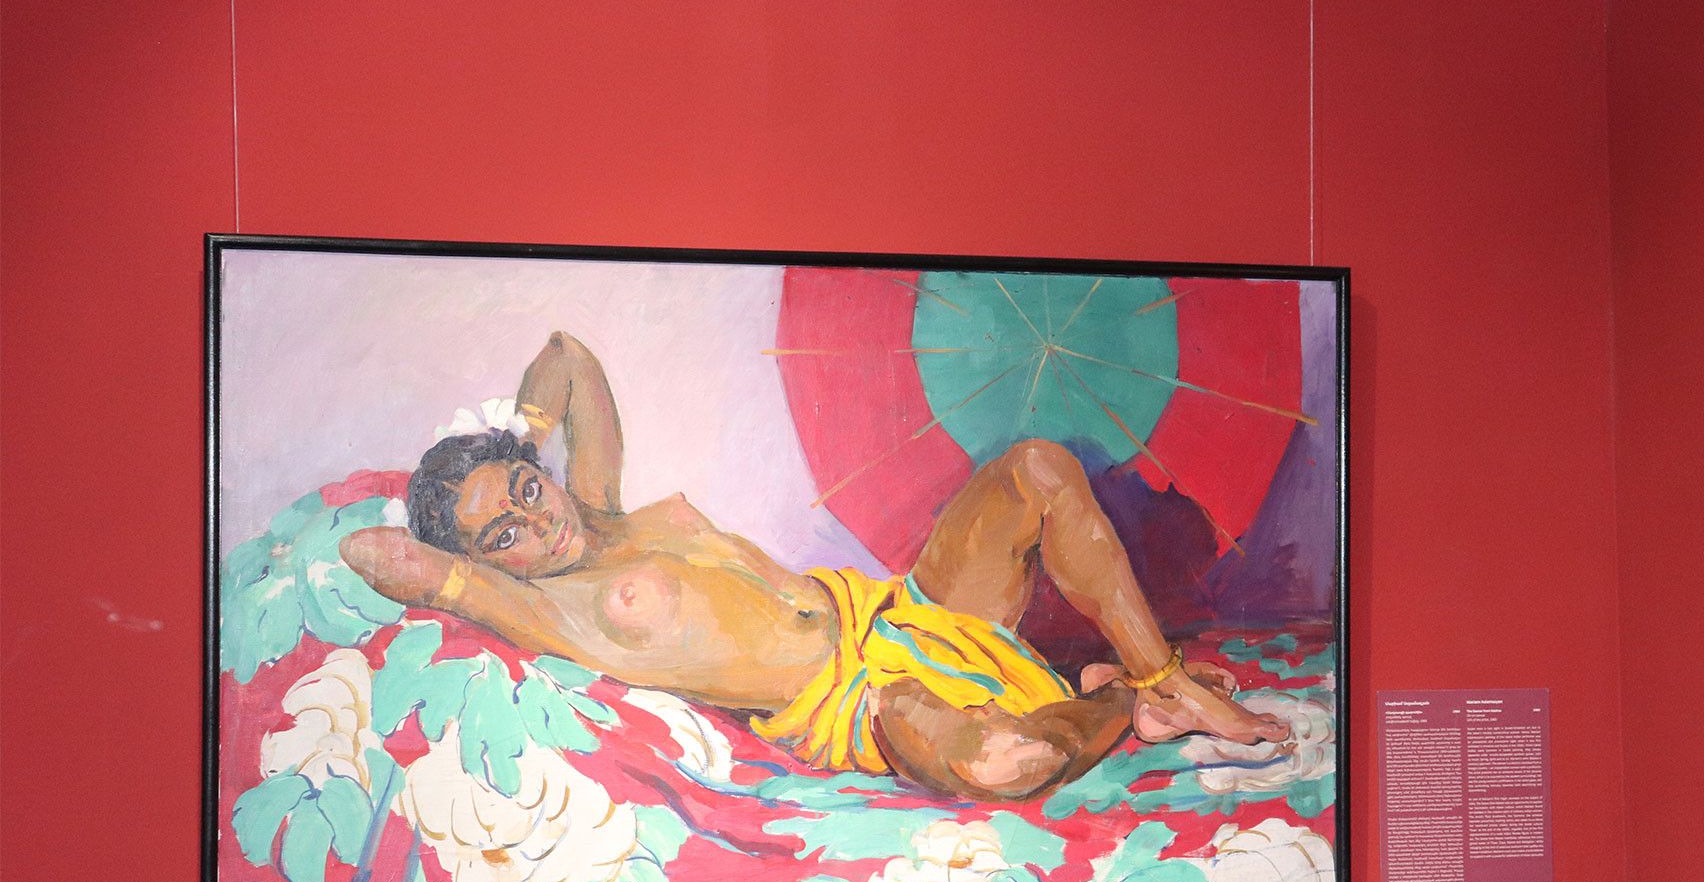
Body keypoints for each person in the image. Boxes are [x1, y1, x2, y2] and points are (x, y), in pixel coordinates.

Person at [341, 331, 1291, 803]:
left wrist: (518, 436)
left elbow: (567, 357)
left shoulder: (591, 503)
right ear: (490, 566)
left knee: (1037, 467)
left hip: (896, 611)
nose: (534, 520)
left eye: (524, 488)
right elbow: (375, 554)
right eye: (504, 534)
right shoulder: (547, 608)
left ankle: (1162, 677)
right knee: (1008, 763)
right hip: (861, 705)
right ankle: (1122, 704)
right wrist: (462, 563)